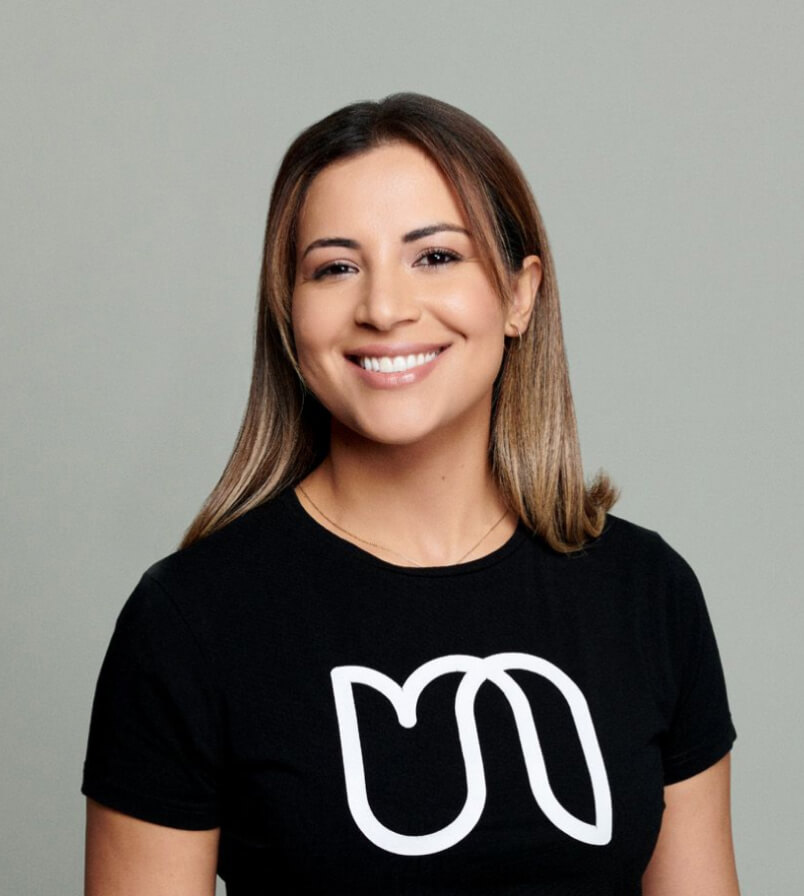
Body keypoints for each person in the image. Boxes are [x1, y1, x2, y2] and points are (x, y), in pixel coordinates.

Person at [82, 93, 739, 895]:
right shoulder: (190, 620)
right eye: (336, 268)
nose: (384, 308)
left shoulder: (647, 593)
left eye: (434, 256)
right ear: (291, 314)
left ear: (520, 295)